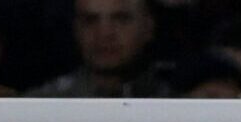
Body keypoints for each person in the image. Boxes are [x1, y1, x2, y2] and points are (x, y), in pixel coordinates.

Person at [28, 0, 166, 98]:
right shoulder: (38, 107)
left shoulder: (177, 107)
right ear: (75, 29)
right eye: (90, 20)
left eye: (121, 19)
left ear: (148, 27)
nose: (104, 33)